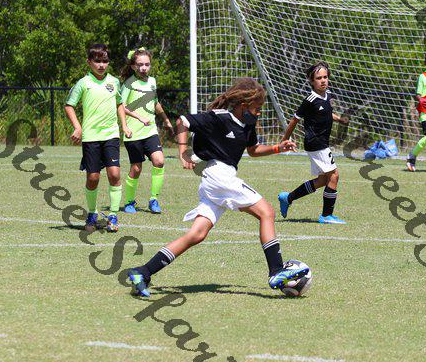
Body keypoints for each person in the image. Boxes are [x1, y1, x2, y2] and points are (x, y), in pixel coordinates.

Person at [127, 78, 309, 297]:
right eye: (257, 108)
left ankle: (143, 272)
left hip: (216, 182)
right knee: (267, 212)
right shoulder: (219, 118)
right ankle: (276, 271)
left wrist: (278, 148)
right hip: (218, 176)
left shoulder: (248, 124)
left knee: (197, 234)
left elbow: (253, 150)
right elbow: (183, 121)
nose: (259, 112)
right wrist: (183, 151)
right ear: (244, 105)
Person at [64, 43, 132, 232]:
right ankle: (92, 213)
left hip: (111, 135)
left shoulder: (114, 82)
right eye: (97, 61)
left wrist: (124, 125)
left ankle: (113, 216)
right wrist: (77, 127)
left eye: (105, 61)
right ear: (89, 62)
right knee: (93, 177)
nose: (101, 65)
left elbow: (119, 103)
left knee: (114, 174)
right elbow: (69, 105)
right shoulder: (83, 83)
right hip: (91, 137)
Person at [278, 62, 349, 225]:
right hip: (316, 143)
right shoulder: (310, 100)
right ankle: (326, 215)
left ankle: (288, 198)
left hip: (321, 143)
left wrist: (340, 119)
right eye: (318, 78)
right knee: (334, 175)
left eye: (325, 77)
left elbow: (327, 113)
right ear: (311, 81)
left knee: (323, 180)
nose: (323, 80)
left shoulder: (328, 95)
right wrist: (285, 140)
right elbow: (294, 120)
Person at [120, 47, 174, 214]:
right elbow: (121, 106)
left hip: (150, 131)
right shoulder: (128, 84)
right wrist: (133, 121)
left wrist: (165, 119)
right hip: (133, 132)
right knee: (136, 169)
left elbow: (155, 102)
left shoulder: (152, 81)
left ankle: (153, 199)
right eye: (140, 64)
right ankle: (129, 202)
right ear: (133, 66)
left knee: (159, 161)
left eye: (147, 64)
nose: (144, 68)